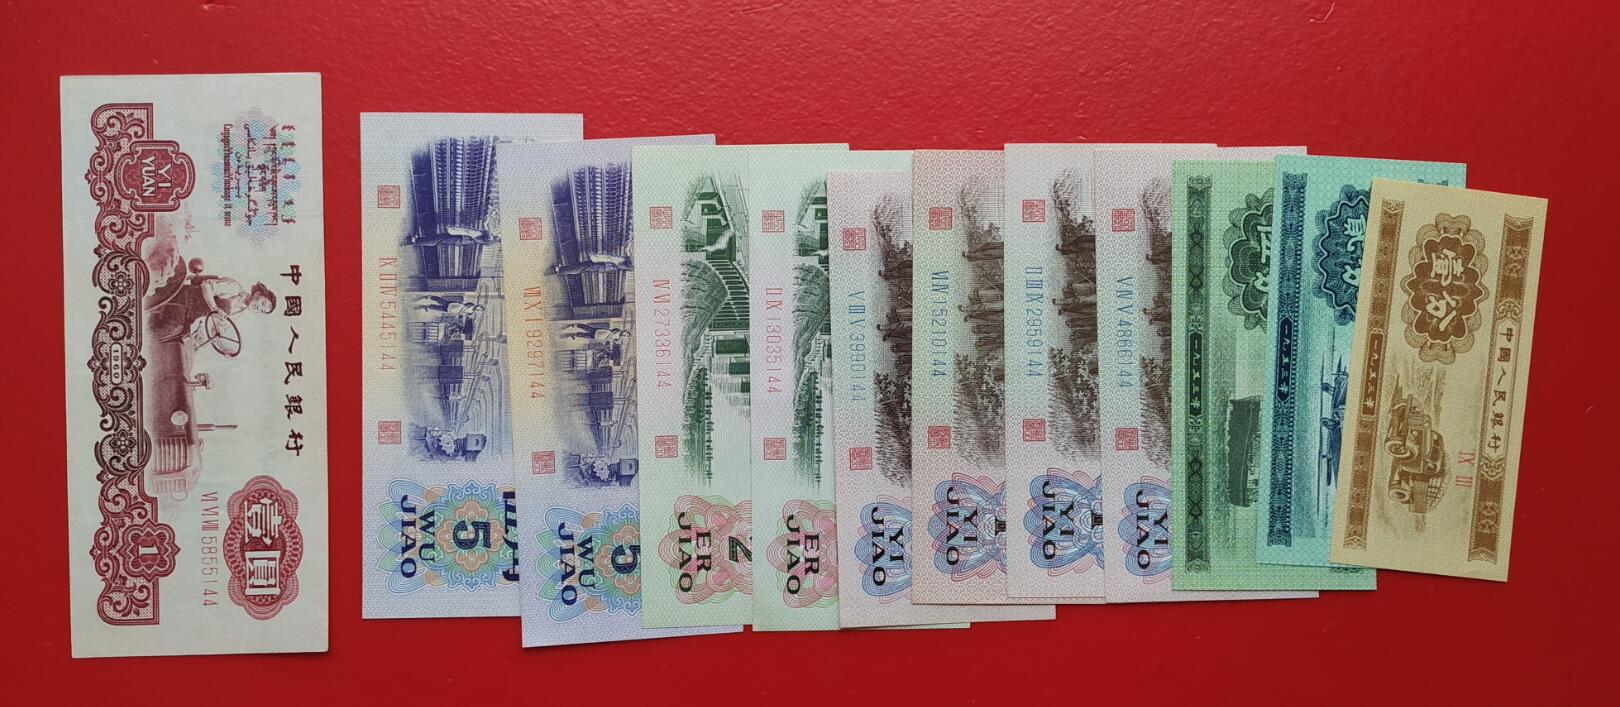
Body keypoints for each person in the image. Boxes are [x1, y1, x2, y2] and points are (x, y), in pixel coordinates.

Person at [148, 270, 276, 342]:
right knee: (171, 329)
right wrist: (214, 307)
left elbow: (217, 327)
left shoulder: (240, 311)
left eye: (262, 311)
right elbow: (206, 286)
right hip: (185, 299)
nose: (259, 308)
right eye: (263, 303)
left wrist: (226, 350)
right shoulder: (234, 288)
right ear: (258, 293)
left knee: (182, 341)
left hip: (190, 318)